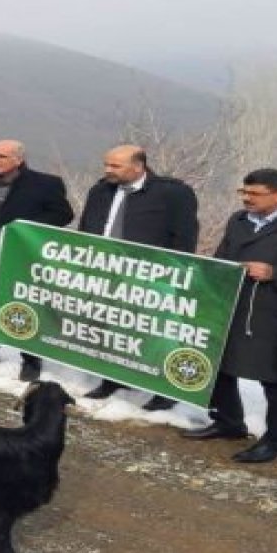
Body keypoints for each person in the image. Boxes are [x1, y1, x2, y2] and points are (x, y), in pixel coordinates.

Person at [182, 169, 277, 462]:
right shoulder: (239, 219)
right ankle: (228, 421)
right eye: (243, 192)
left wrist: (276, 273)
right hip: (232, 303)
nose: (246, 198)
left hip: (276, 311)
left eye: (254, 194)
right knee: (220, 366)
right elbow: (223, 255)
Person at [78, 144, 198, 410]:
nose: (108, 170)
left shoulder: (172, 193)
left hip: (152, 275)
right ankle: (113, 378)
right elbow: (86, 226)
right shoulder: (100, 190)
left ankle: (164, 389)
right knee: (111, 328)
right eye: (106, 165)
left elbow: (185, 236)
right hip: (105, 271)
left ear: (138, 166)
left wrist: (174, 273)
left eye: (115, 166)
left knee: (151, 332)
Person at [0, 140, 74, 380]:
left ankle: (30, 359)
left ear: (18, 160)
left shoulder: (45, 184)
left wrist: (25, 228)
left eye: (1, 156)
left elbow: (64, 214)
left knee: (24, 306)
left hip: (23, 256)